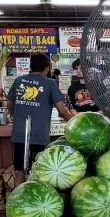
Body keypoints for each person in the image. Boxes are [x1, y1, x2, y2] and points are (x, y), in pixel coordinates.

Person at [7, 53, 75, 187]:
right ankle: (36, 201)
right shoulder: (50, 83)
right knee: (40, 171)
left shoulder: (18, 80)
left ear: (30, 67)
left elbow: (9, 105)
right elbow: (62, 111)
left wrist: (16, 116)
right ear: (47, 68)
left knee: (20, 170)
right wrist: (73, 122)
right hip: (39, 135)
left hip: (20, 134)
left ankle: (18, 202)